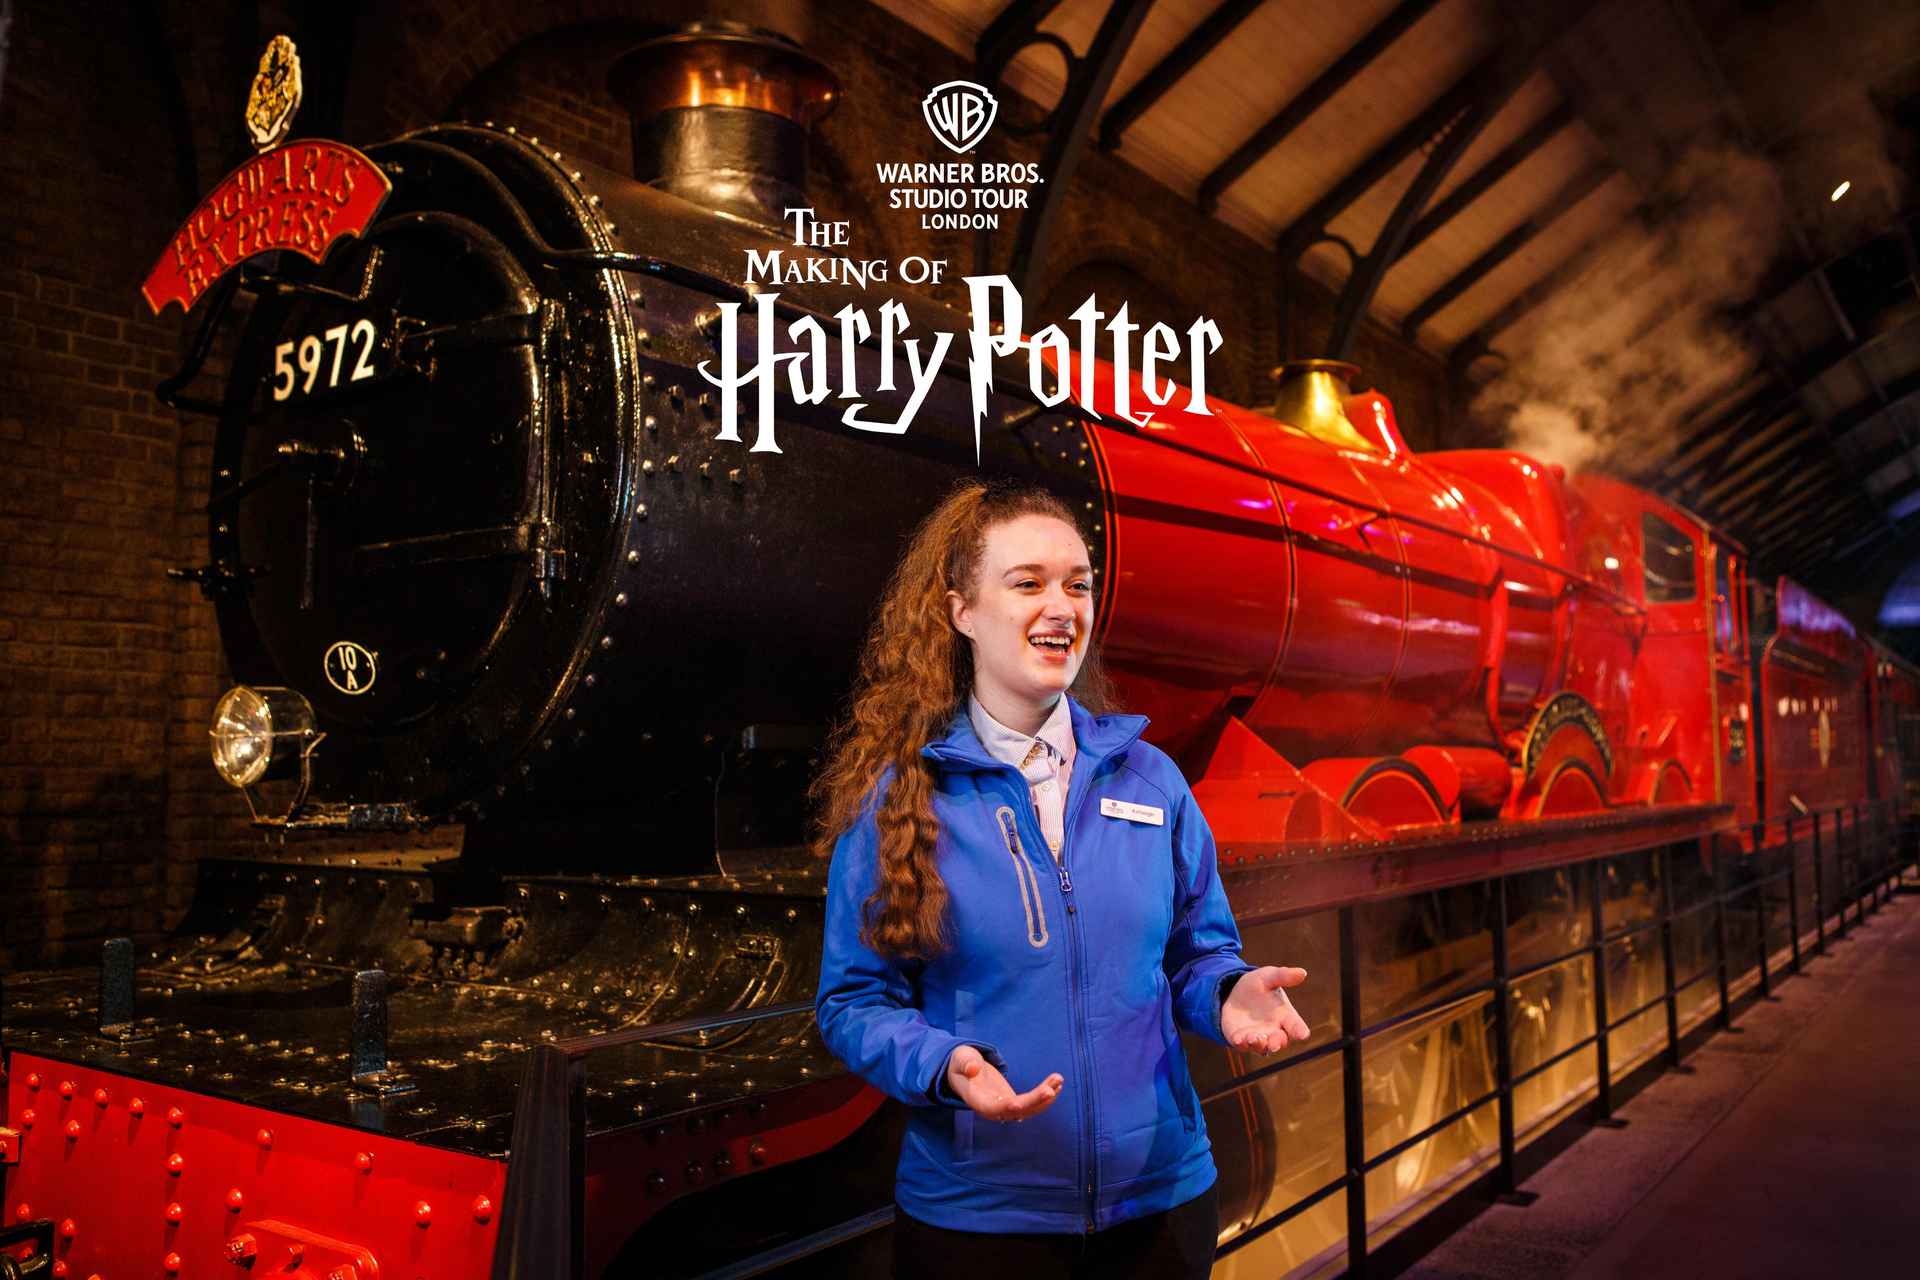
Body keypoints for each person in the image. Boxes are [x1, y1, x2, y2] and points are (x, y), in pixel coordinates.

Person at [812, 480, 1312, 1280]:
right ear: (961, 612)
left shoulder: (1152, 781)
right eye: (1028, 583)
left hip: (1161, 1206)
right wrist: (945, 1063)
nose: (1062, 607)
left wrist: (1226, 992)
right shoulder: (899, 801)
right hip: (979, 1221)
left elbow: (1196, 955)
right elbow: (853, 1004)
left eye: (1078, 585)